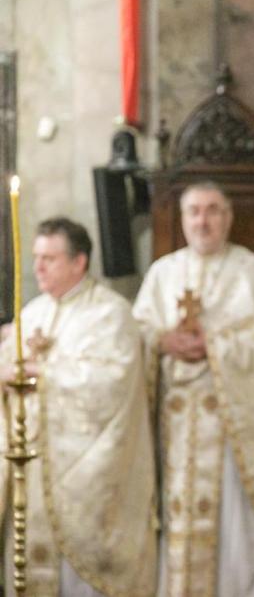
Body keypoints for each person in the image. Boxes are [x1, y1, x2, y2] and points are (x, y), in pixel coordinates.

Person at [133, 182, 254, 596]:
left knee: (231, 530)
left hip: (230, 431)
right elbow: (136, 333)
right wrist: (162, 341)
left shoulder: (252, 270)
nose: (202, 220)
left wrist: (215, 344)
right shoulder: (162, 272)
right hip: (173, 429)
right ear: (183, 218)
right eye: (194, 212)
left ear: (228, 217)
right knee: (175, 523)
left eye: (212, 211)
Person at [0, 217, 157, 596]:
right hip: (31, 471)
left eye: (50, 258)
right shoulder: (33, 313)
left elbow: (112, 383)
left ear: (79, 262)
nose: (37, 267)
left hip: (85, 480)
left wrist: (44, 373)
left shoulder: (110, 313)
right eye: (36, 257)